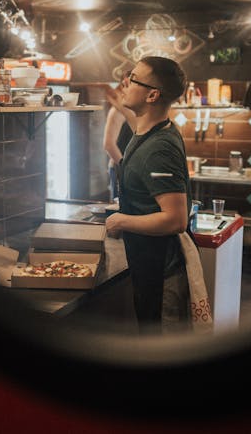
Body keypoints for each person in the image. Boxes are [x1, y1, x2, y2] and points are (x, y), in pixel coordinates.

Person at [104, 56, 192, 333]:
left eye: (133, 78)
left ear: (153, 95)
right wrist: (122, 107)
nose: (125, 82)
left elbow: (176, 220)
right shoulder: (148, 131)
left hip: (162, 273)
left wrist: (121, 221)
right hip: (148, 268)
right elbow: (138, 127)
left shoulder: (160, 149)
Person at [103, 74, 136, 202]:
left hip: (133, 170)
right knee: (120, 207)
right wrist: (125, 167)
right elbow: (108, 144)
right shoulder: (116, 111)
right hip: (120, 168)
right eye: (125, 85)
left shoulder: (132, 110)